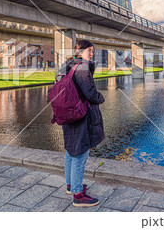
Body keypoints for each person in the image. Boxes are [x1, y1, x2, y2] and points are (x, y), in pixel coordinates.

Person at [60, 40, 105, 207]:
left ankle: (71, 185)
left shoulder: (68, 65)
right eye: (89, 50)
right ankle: (78, 195)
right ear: (80, 51)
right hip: (80, 115)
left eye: (93, 51)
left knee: (71, 150)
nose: (92, 53)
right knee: (81, 152)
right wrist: (102, 98)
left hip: (68, 112)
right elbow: (91, 94)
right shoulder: (83, 67)